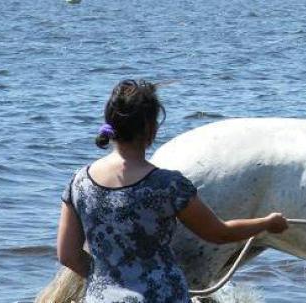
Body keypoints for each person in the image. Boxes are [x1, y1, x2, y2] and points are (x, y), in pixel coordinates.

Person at [56, 79, 288, 302]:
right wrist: (267, 223)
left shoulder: (79, 182)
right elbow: (220, 233)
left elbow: (67, 255)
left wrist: (109, 280)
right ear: (150, 128)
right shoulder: (168, 186)